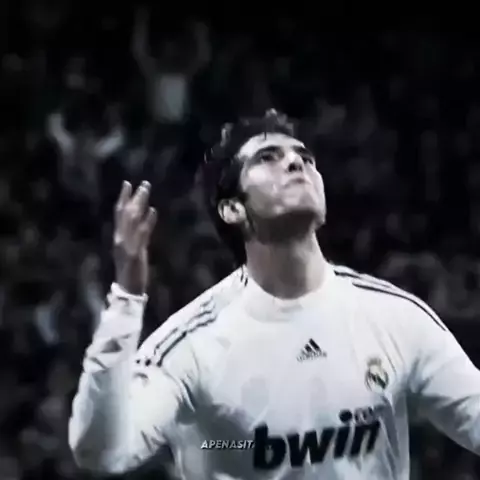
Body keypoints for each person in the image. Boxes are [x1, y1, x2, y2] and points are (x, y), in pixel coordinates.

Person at [69, 109, 480, 479]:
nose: (296, 162)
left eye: (305, 157)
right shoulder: (191, 345)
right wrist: (126, 300)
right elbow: (101, 452)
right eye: (267, 158)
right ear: (233, 209)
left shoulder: (395, 316)